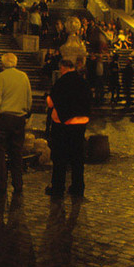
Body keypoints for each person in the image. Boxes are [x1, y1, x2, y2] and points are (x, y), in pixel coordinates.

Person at [0, 52, 32, 195]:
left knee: (0, 152)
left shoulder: (1, 77)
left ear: (3, 63)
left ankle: (0, 185)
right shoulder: (24, 77)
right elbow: (29, 98)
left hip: (3, 118)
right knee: (17, 153)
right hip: (19, 118)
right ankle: (18, 184)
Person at [45, 59, 91, 199]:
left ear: (62, 68)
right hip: (81, 123)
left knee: (60, 157)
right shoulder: (83, 82)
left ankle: (58, 188)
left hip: (63, 124)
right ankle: (78, 187)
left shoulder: (61, 82)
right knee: (77, 157)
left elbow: (51, 102)